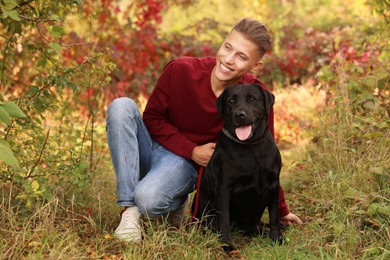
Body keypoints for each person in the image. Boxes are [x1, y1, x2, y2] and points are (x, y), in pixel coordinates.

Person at [106, 17, 302, 242]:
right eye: (228, 47)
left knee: (150, 200)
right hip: (157, 146)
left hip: (183, 166)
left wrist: (282, 209)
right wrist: (191, 149)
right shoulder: (181, 69)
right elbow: (152, 117)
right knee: (121, 107)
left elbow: (265, 157)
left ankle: (174, 200)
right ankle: (129, 211)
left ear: (255, 66)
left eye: (242, 57)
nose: (228, 59)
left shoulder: (254, 97)